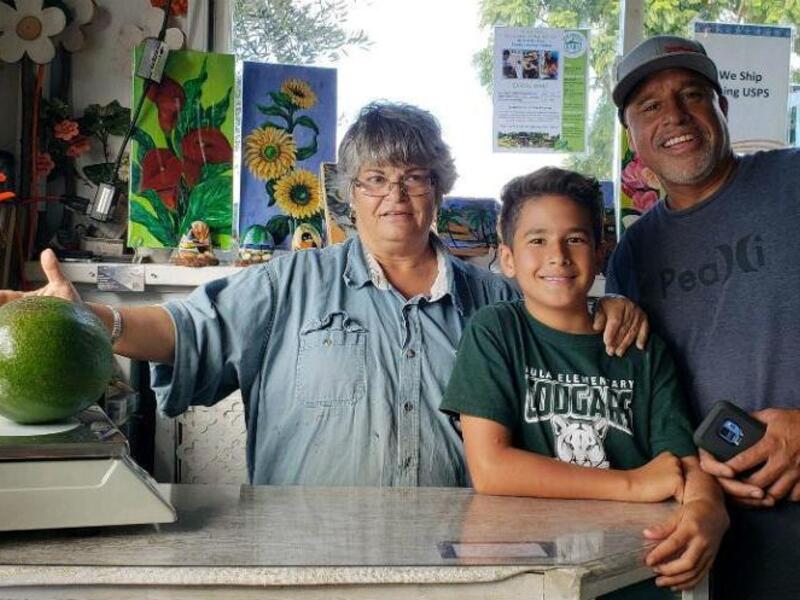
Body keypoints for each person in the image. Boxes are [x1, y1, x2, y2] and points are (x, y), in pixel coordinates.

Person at [0, 102, 645, 487]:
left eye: (415, 177)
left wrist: (603, 309)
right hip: (306, 553)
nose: (396, 194)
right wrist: (87, 319)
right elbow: (184, 330)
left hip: (462, 555)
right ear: (348, 194)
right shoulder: (286, 286)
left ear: (439, 189)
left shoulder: (493, 303)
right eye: (376, 178)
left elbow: (563, 353)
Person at [441, 167, 727, 597]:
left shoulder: (642, 348)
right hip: (529, 580)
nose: (557, 255)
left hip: (634, 572)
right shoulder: (496, 330)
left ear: (600, 253)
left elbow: (681, 466)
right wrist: (634, 484)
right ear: (508, 259)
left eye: (574, 238)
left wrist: (709, 508)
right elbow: (491, 468)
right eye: (537, 240)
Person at [607, 35, 800, 600]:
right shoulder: (632, 255)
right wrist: (691, 476)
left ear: (723, 106)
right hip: (719, 539)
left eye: (692, 94)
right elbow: (643, 396)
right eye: (650, 106)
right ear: (632, 134)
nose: (675, 116)